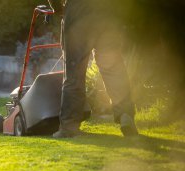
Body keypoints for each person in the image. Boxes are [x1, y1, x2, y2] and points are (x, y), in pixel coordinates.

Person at [48, 0, 138, 138]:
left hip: (78, 16)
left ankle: (69, 127)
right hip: (106, 14)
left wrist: (58, 8)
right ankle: (125, 114)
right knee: (113, 70)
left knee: (74, 72)